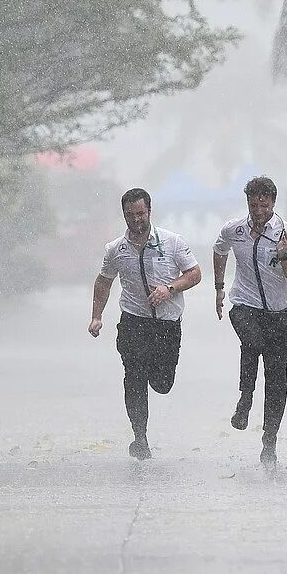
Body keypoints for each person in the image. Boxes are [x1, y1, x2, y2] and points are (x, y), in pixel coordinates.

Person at [88, 188, 201, 460]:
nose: (136, 220)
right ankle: (140, 437)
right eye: (130, 215)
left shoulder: (172, 242)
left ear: (149, 211)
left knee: (162, 383)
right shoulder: (116, 249)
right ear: (124, 215)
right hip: (133, 323)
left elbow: (195, 274)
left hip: (166, 325)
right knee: (134, 377)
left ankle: (154, 376)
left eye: (140, 214)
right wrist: (96, 316)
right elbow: (104, 280)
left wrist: (170, 289)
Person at [213, 176, 287, 468]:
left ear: (273, 203)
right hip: (245, 305)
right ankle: (245, 397)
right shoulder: (235, 229)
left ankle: (270, 439)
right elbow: (219, 249)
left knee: (277, 379)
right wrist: (219, 287)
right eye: (253, 204)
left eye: (263, 204)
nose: (258, 210)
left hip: (279, 315)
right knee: (252, 341)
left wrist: (282, 258)